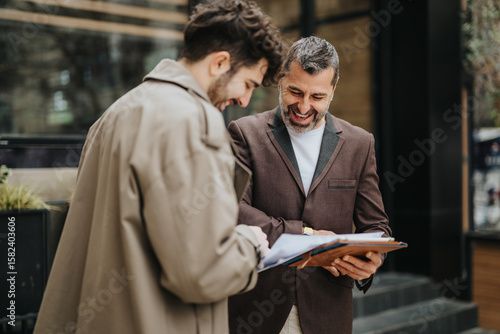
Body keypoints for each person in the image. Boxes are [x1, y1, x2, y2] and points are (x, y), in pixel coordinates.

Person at [34, 1, 284, 333]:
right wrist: (248, 244)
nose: (244, 101)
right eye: (249, 84)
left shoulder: (115, 113)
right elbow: (200, 273)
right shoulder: (193, 121)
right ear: (220, 62)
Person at [227, 36, 392, 334]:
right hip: (255, 309)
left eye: (317, 97)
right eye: (295, 91)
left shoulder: (359, 143)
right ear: (280, 79)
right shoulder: (244, 133)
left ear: (333, 90)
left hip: (328, 312)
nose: (303, 106)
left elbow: (377, 227)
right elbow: (233, 210)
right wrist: (305, 235)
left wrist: (372, 261)